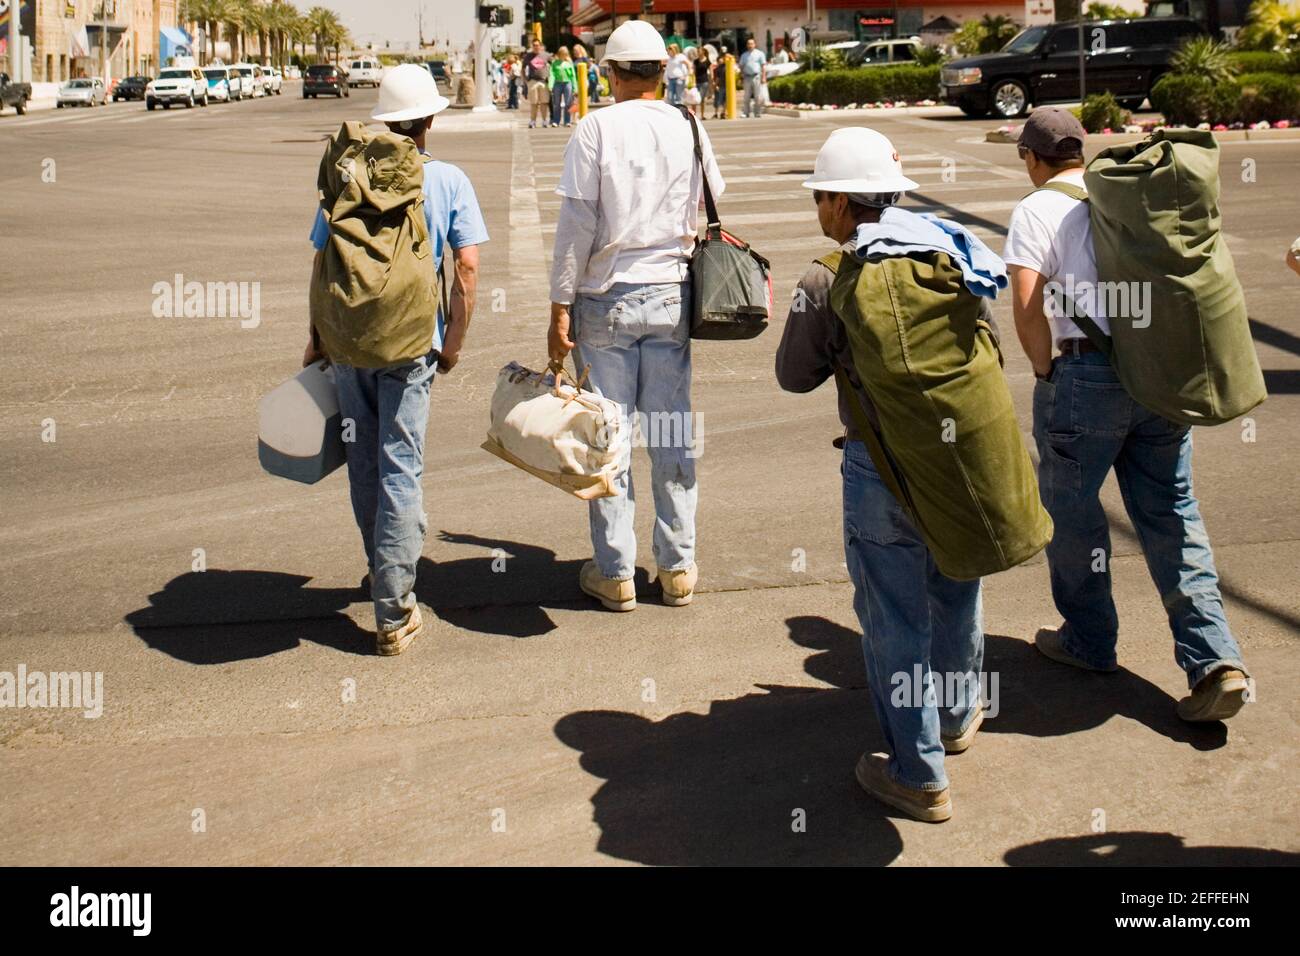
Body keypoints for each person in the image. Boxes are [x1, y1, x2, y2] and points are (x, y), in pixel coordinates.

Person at [1003, 108, 1251, 722]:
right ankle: (1216, 660)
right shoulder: (1132, 197)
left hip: (1083, 378)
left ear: (1032, 158)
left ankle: (1090, 641)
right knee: (1173, 513)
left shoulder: (1037, 209)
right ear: (1081, 152)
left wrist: (1043, 371)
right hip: (1159, 373)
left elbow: (1027, 305)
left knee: (1074, 517)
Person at [777, 128, 990, 823]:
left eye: (821, 198)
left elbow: (793, 375)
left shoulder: (826, 278)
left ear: (841, 202)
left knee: (894, 617)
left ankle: (918, 774)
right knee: (954, 587)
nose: (818, 211)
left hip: (878, 468)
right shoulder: (950, 250)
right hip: (957, 455)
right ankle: (957, 718)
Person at [303, 64, 489, 656]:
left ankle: (383, 571)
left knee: (364, 460)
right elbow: (466, 269)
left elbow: (320, 259)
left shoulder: (349, 175)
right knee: (400, 464)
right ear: (431, 119)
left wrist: (317, 338)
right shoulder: (450, 180)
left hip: (351, 341)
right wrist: (453, 339)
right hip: (413, 345)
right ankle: (394, 607)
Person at [546, 19, 725, 613]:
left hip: (605, 301)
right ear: (661, 71)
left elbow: (576, 227)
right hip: (671, 295)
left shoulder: (594, 127)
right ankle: (677, 568)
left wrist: (559, 306)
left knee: (609, 437)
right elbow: (708, 199)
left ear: (613, 73)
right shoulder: (688, 123)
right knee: (672, 433)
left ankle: (616, 572)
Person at [523, 38, 551, 128]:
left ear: (540, 46)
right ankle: (532, 121)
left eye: (537, 45)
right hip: (533, 81)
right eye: (534, 45)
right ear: (532, 46)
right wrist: (525, 80)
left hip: (543, 81)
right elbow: (522, 69)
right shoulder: (528, 56)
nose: (536, 47)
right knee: (534, 103)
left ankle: (544, 121)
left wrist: (550, 77)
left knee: (544, 102)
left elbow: (554, 65)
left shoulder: (546, 55)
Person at [738, 37, 766, 118]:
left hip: (756, 76)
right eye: (748, 44)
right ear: (747, 45)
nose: (750, 45)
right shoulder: (744, 55)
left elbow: (763, 66)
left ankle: (757, 112)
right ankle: (746, 112)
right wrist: (741, 76)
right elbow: (741, 66)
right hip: (747, 77)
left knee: (757, 96)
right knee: (746, 96)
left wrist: (763, 77)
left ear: (755, 44)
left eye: (751, 43)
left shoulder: (760, 54)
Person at [549, 46, 576, 127]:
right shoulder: (554, 63)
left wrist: (575, 87)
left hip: (568, 83)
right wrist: (550, 85)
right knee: (557, 103)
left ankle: (567, 121)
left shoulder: (569, 63)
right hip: (557, 84)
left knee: (568, 103)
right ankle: (556, 121)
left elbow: (573, 76)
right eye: (562, 54)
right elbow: (552, 75)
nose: (564, 55)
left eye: (565, 54)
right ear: (559, 54)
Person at [692, 48, 711, 117]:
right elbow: (693, 72)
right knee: (694, 99)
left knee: (702, 99)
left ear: (703, 52)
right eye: (697, 51)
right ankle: (693, 115)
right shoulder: (696, 61)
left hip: (704, 82)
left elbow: (710, 73)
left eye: (699, 51)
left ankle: (702, 115)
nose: (698, 52)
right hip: (696, 82)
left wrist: (711, 83)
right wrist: (692, 82)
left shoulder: (707, 61)